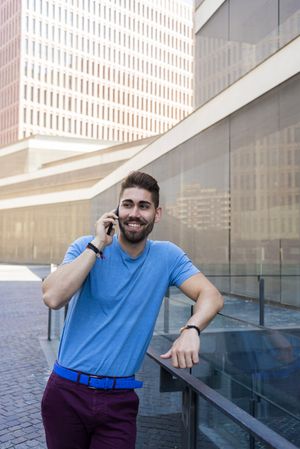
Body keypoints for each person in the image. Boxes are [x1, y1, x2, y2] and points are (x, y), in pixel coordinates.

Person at [41, 171, 223, 449]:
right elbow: (53, 297)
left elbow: (210, 295)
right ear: (116, 210)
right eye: (127, 204)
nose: (134, 213)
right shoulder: (85, 247)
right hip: (66, 393)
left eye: (143, 206)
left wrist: (191, 329)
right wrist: (97, 244)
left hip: (119, 400)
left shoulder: (168, 256)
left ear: (157, 214)